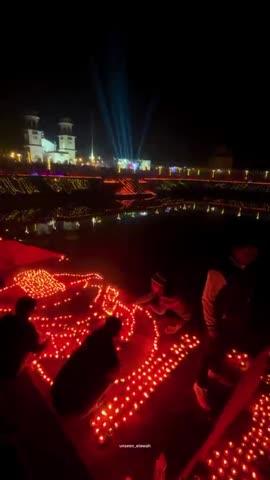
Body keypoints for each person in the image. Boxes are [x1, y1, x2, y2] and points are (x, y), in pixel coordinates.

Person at [193, 237, 263, 411]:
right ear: (236, 250)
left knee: (221, 349)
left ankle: (213, 371)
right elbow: (207, 300)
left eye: (254, 253)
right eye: (247, 251)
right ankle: (200, 384)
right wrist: (211, 326)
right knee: (209, 351)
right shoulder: (219, 272)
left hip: (233, 321)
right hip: (218, 322)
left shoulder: (245, 269)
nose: (251, 256)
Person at [51, 316, 122, 415]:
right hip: (76, 404)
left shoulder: (93, 337)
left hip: (59, 391)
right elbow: (113, 368)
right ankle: (87, 403)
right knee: (108, 377)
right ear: (115, 331)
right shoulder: (108, 349)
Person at [0, 296, 46, 381]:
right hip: (10, 368)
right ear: (30, 311)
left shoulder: (7, 318)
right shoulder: (29, 328)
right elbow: (35, 349)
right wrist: (46, 344)